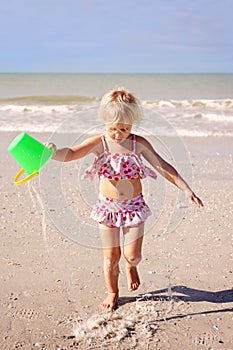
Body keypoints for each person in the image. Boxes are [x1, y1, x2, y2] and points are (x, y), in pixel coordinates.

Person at [49, 88, 203, 312]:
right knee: (111, 257)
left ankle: (132, 267)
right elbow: (72, 153)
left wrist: (185, 188)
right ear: (104, 122)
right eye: (113, 128)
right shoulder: (99, 143)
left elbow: (162, 166)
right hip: (107, 208)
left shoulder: (138, 143)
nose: (118, 134)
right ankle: (112, 292)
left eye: (124, 128)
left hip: (133, 207)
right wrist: (54, 152)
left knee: (132, 255)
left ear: (132, 124)